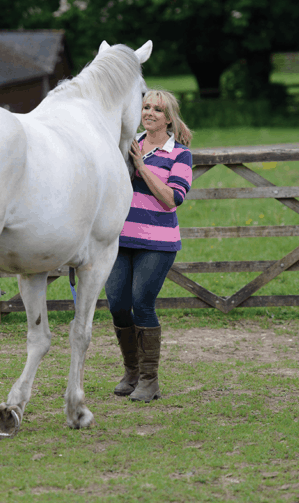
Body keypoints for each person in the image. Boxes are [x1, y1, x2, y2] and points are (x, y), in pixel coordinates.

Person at [105, 89, 193, 402]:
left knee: (142, 302)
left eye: (157, 109)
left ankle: (149, 380)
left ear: (169, 118)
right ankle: (131, 370)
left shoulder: (180, 154)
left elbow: (172, 199)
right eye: (145, 107)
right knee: (117, 304)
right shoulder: (128, 143)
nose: (150, 112)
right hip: (121, 237)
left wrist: (141, 166)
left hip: (158, 242)